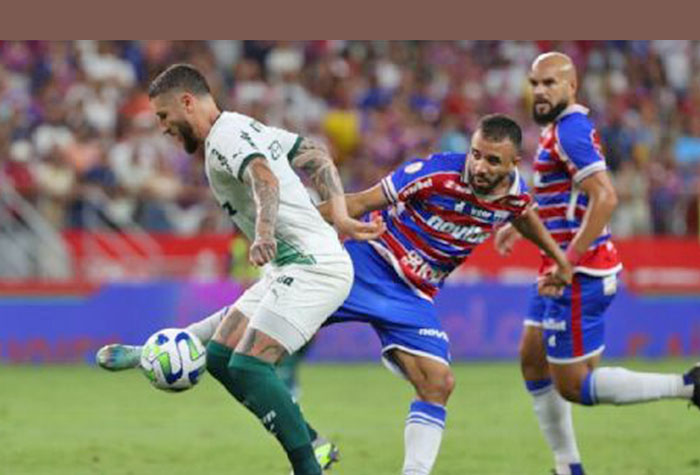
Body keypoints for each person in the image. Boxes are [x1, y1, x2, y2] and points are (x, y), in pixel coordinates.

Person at [100, 113, 574, 474]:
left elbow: (524, 214)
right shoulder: (433, 172)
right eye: (475, 153)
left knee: (438, 383)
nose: (479, 165)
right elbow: (363, 201)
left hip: (414, 296)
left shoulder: (515, 194)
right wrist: (304, 232)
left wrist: (556, 255)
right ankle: (154, 349)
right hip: (362, 265)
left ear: (514, 165)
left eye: (492, 160)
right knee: (245, 329)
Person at [115, 63, 384, 475]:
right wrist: (342, 217)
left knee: (249, 365)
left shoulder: (225, 140)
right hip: (288, 266)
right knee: (222, 359)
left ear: (188, 102)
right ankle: (312, 442)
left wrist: (263, 232)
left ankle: (308, 467)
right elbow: (315, 153)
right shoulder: (242, 126)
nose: (163, 128)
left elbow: (264, 178)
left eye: (164, 116)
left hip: (313, 268)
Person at [494, 52, 700, 475]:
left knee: (572, 385)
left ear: (572, 87)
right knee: (532, 358)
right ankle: (567, 466)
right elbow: (561, 194)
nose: (540, 90)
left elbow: (605, 196)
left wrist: (568, 260)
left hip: (578, 271)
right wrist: (520, 227)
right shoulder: (557, 129)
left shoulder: (570, 130)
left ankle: (687, 385)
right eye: (535, 83)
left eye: (550, 83)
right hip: (558, 266)